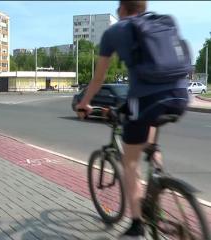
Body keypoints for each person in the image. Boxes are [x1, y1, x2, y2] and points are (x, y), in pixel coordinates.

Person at [76, 1, 189, 239]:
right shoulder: (165, 21)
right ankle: (158, 177)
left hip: (147, 100)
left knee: (130, 163)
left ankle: (137, 225)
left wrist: (84, 103)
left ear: (122, 9)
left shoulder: (114, 31)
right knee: (149, 143)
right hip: (179, 95)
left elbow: (98, 80)